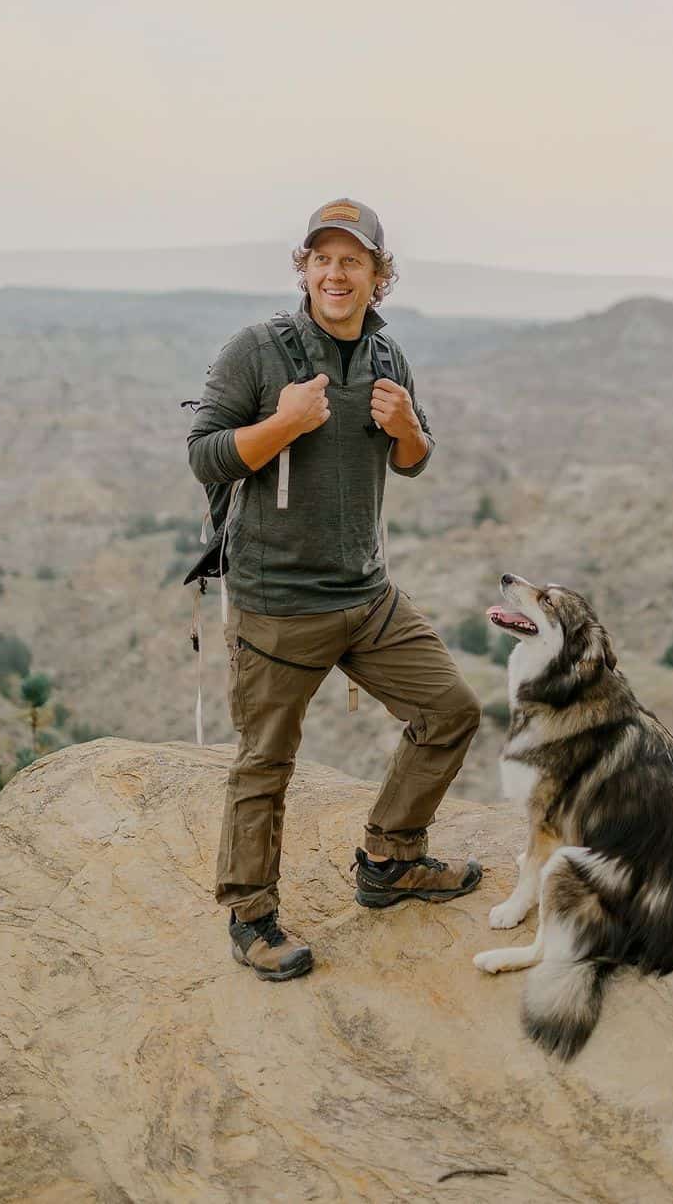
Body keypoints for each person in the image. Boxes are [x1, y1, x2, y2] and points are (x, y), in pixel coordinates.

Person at [187, 198, 483, 981]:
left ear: (379, 276)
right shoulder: (257, 351)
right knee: (266, 761)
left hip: (368, 596)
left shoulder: (388, 360)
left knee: (451, 710)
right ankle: (251, 918)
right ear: (304, 269)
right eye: (321, 257)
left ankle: (389, 861)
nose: (334, 272)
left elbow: (413, 459)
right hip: (277, 604)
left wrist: (410, 428)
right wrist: (282, 424)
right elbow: (205, 456)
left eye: (352, 259)